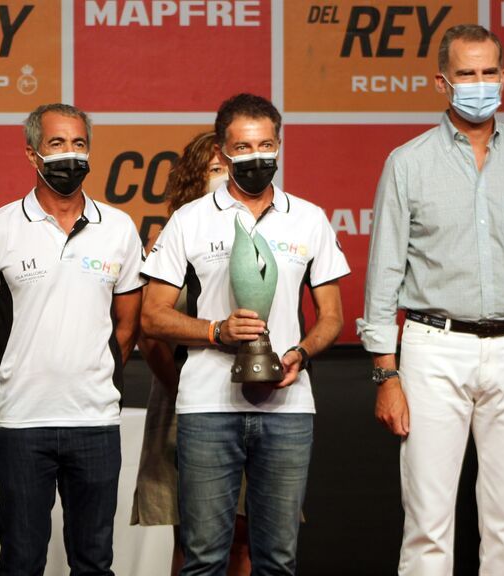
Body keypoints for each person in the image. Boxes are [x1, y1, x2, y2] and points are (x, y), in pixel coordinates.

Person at [358, 24, 504, 575]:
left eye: (488, 73)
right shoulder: (407, 162)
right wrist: (387, 375)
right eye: (465, 74)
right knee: (428, 524)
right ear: (442, 81)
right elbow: (383, 273)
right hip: (433, 346)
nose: (479, 84)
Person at [141, 93, 349, 575]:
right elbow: (152, 316)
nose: (256, 157)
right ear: (221, 151)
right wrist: (216, 330)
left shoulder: (310, 219)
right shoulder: (189, 220)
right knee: (204, 559)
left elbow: (332, 316)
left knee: (277, 559)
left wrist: (299, 352)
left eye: (266, 145)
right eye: (243, 147)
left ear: (279, 145)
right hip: (208, 405)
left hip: (288, 407)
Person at [0, 103, 145, 575]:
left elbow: (128, 326)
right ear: (32, 154)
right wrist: (3, 389)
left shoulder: (119, 228)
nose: (70, 155)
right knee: (21, 561)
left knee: (94, 560)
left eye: (79, 144)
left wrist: (100, 376)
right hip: (22, 424)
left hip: (95, 420)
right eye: (57, 144)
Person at [131, 131, 251, 576]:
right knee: (193, 534)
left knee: (246, 531)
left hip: (252, 398)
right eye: (215, 170)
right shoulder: (172, 239)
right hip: (185, 399)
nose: (225, 179)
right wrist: (179, 387)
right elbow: (150, 332)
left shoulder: (268, 232)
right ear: (192, 180)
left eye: (230, 169)